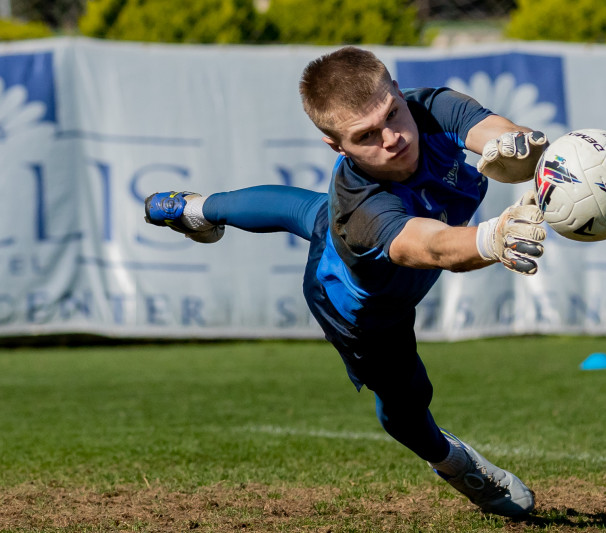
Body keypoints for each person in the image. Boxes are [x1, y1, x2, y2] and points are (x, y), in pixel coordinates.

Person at [144, 46, 548, 518]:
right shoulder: (361, 210)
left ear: (397, 90)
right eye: (366, 136)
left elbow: (496, 131)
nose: (392, 137)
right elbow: (433, 247)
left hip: (343, 223)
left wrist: (516, 144)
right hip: (361, 306)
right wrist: (492, 238)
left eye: (392, 114)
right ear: (336, 146)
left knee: (304, 209)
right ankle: (453, 462)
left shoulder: (430, 106)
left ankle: (193, 208)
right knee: (408, 400)